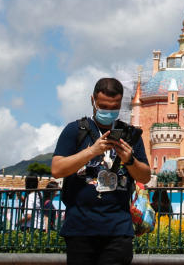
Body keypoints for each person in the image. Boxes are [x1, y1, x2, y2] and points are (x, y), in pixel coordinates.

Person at [51, 77, 151, 265]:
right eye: (104, 106)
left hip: (118, 230)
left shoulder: (130, 135)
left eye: (114, 108)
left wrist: (129, 160)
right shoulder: (75, 130)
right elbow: (56, 169)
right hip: (80, 229)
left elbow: (144, 176)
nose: (109, 111)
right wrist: (92, 151)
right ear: (93, 101)